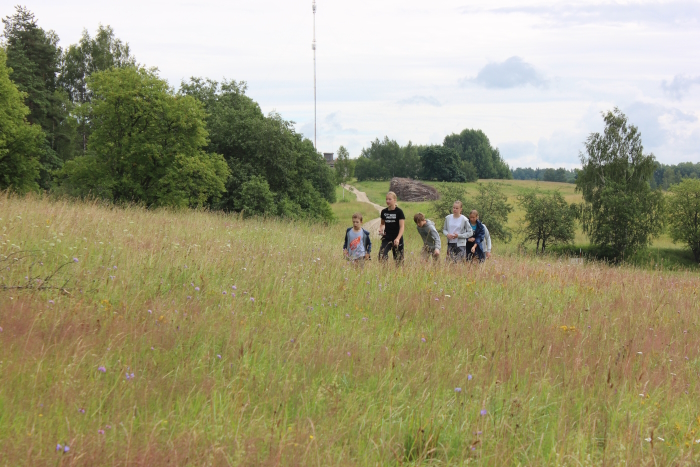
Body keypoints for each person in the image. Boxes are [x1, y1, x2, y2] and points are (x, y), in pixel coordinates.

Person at [378, 192, 405, 262]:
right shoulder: (384, 212)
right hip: (387, 237)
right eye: (386, 199)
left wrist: (398, 239)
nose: (387, 201)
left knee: (398, 260)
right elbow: (382, 224)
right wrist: (381, 229)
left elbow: (402, 227)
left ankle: (398, 272)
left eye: (390, 199)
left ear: (394, 200)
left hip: (397, 237)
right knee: (382, 255)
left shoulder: (399, 212)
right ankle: (384, 271)